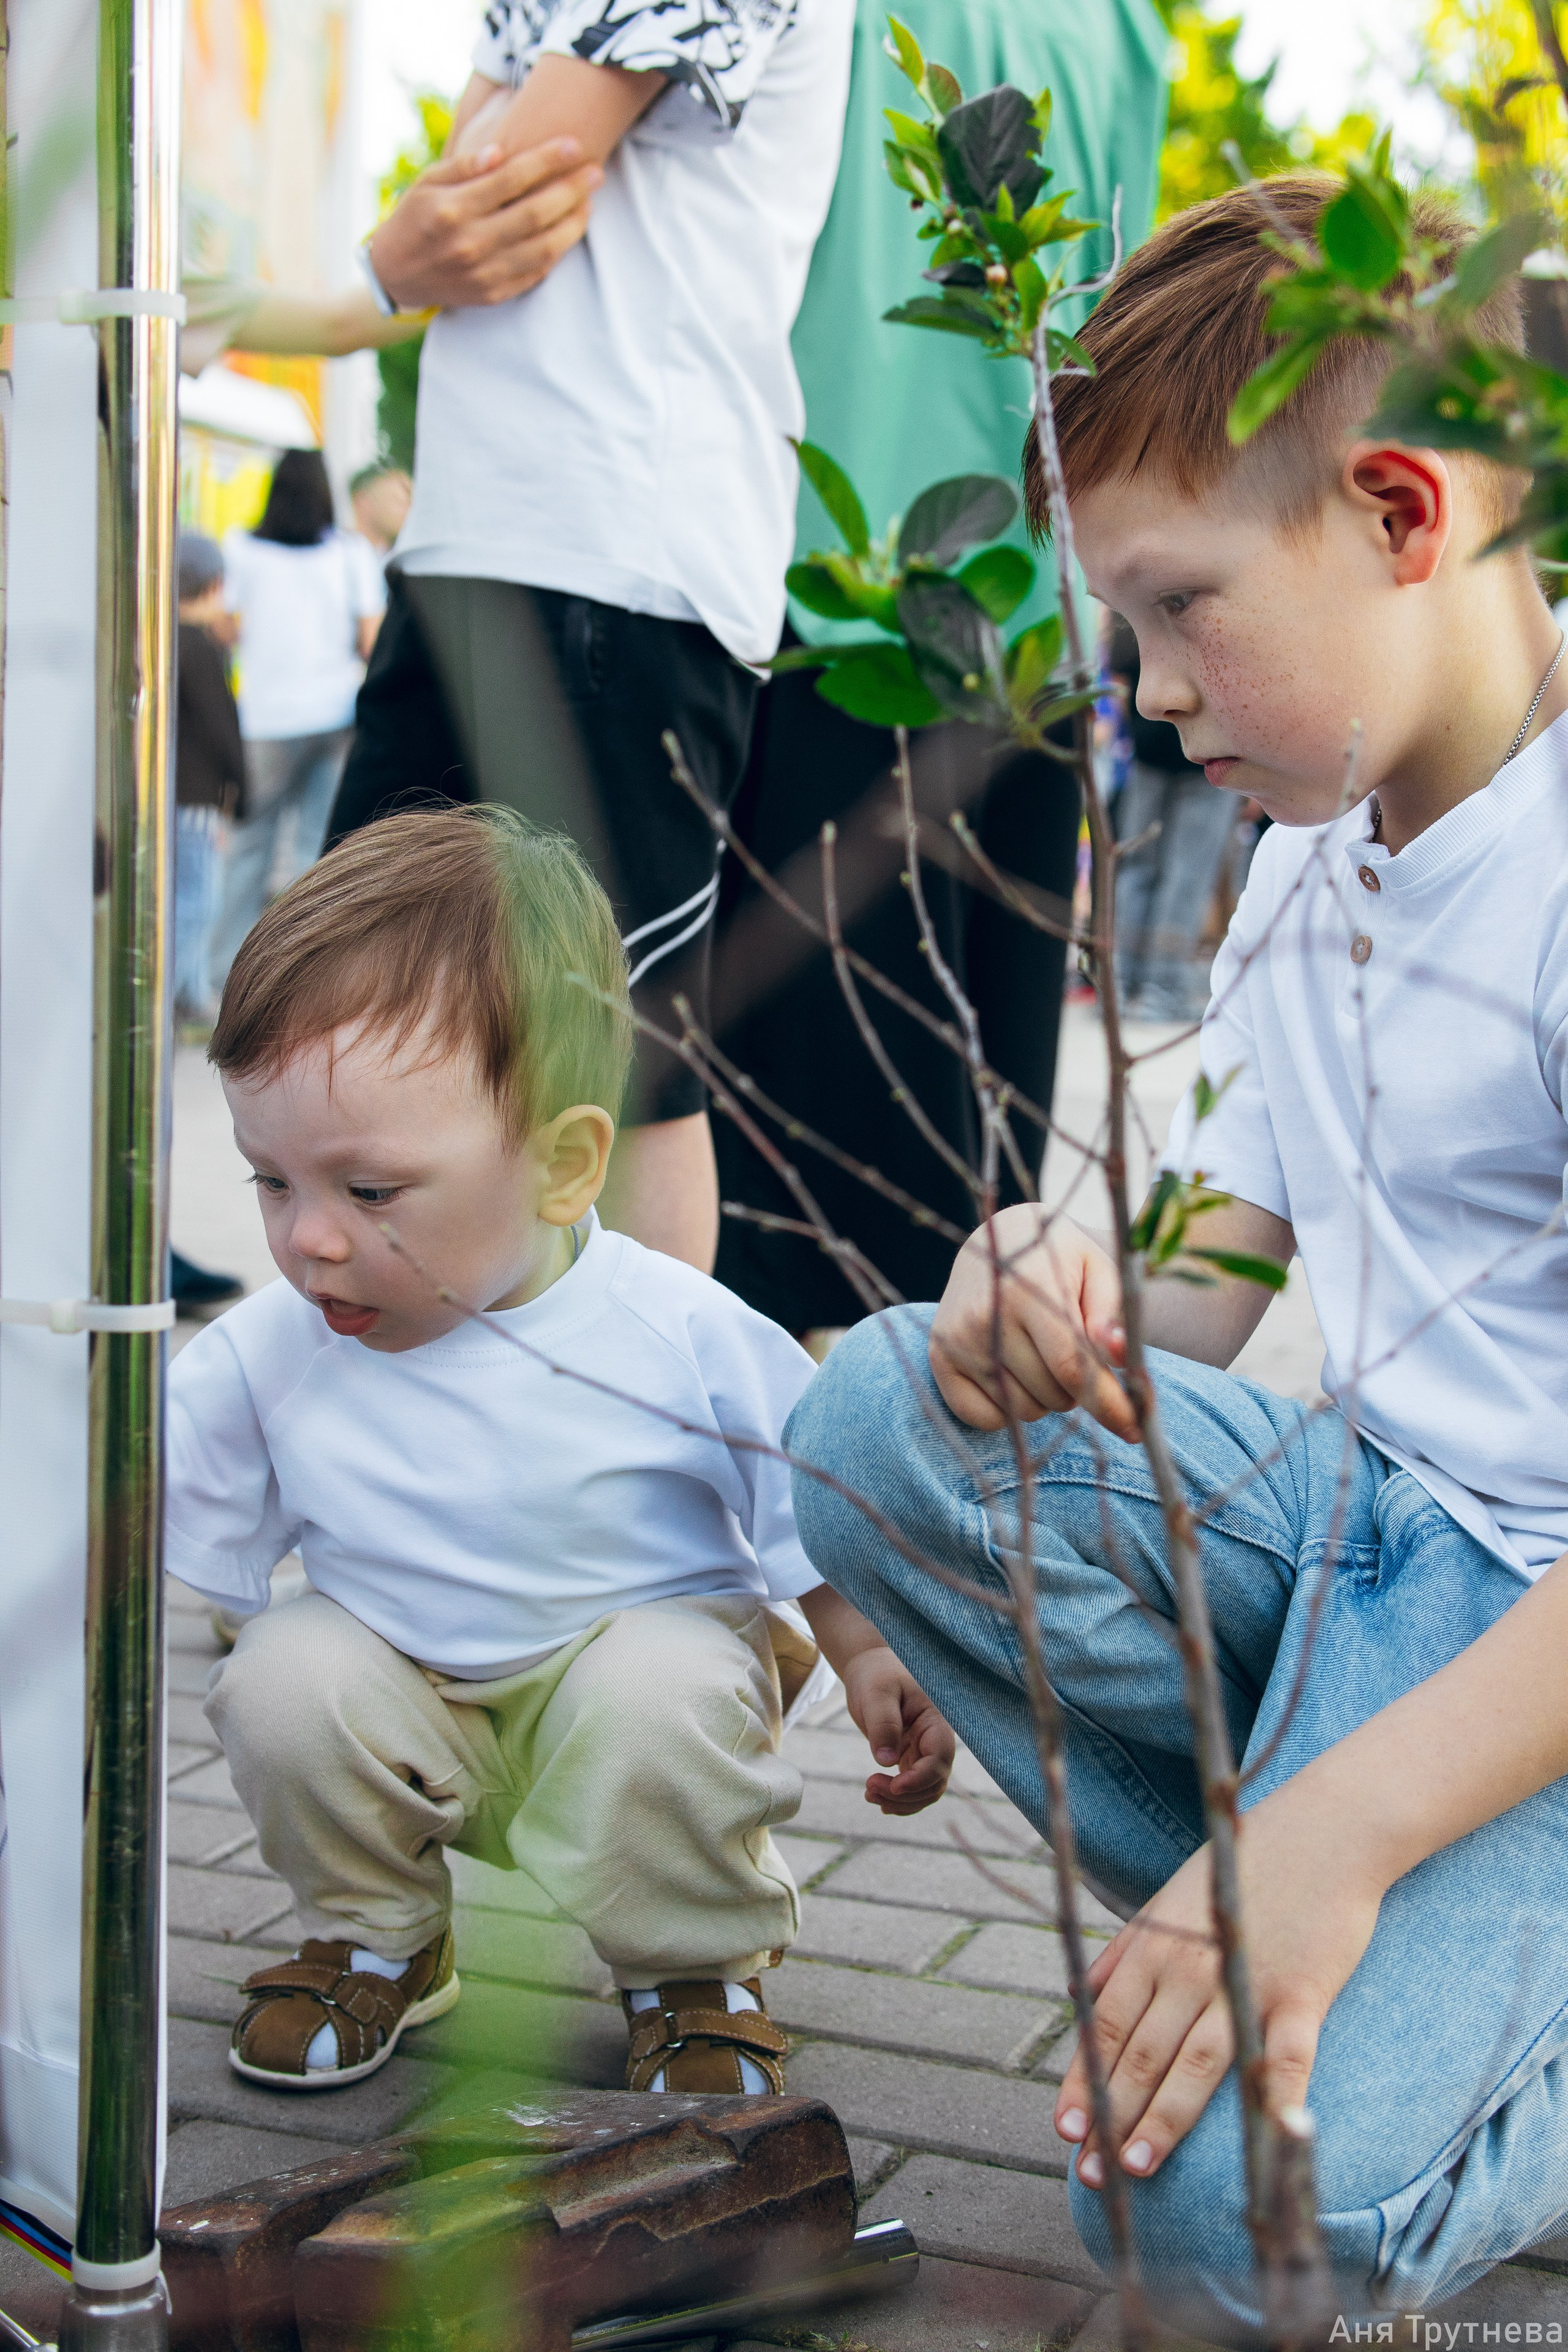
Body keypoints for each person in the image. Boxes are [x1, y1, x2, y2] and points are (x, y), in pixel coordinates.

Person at [783, 178, 1568, 2325]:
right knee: (867, 1419)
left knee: (1217, 2222)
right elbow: (1205, 1268)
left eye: (1176, 608)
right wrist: (1042, 1293)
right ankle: (1347, 1942)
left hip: (1541, 1660)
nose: (1137, 692)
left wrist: (1333, 1834)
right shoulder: (1315, 860)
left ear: (1405, 514)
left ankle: (1426, 1969)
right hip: (1377, 1545)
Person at [166, 807, 954, 2092]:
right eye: (271, 1181)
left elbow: (805, 1508)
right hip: (409, 1714)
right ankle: (381, 1942)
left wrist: (871, 1653)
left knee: (661, 1685)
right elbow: (141, 1511)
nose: (308, 1240)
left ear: (563, 1164)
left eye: (368, 1192)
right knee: (280, 1675)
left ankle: (691, 1968)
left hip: (632, 1712)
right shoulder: (277, 1347)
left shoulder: (674, 1330)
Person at [323, 0, 855, 1273]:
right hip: (481, 529)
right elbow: (470, 177)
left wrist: (330, 293)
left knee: (621, 1069)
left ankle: (640, 1462)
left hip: (616, 542)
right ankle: (400, 1423)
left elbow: (494, 196)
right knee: (347, 1008)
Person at [710, 0, 1166, 1347]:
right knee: (976, 1126)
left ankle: (836, 1501)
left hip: (833, 591)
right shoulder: (1127, 26)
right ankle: (944, 1486)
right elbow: (1110, 305)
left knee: (803, 1149)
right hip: (1031, 621)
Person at [212, 451, 386, 984]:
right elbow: (370, 640)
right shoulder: (352, 553)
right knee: (319, 848)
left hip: (263, 719)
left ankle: (222, 981)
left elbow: (222, 624)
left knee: (248, 851)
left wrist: (261, 642)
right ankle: (302, 980)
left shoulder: (240, 549)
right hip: (334, 715)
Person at [1106, 614, 1243, 1023]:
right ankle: (1161, 988)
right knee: (1186, 875)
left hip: (1147, 748)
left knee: (1136, 868)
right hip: (1207, 751)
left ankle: (1118, 983)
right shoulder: (1214, 599)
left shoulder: (1140, 589)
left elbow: (1120, 667)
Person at [350, 463, 413, 562]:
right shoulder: (336, 560)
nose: (409, 510)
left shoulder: (403, 560)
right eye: (398, 502)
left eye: (410, 503)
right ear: (363, 502)